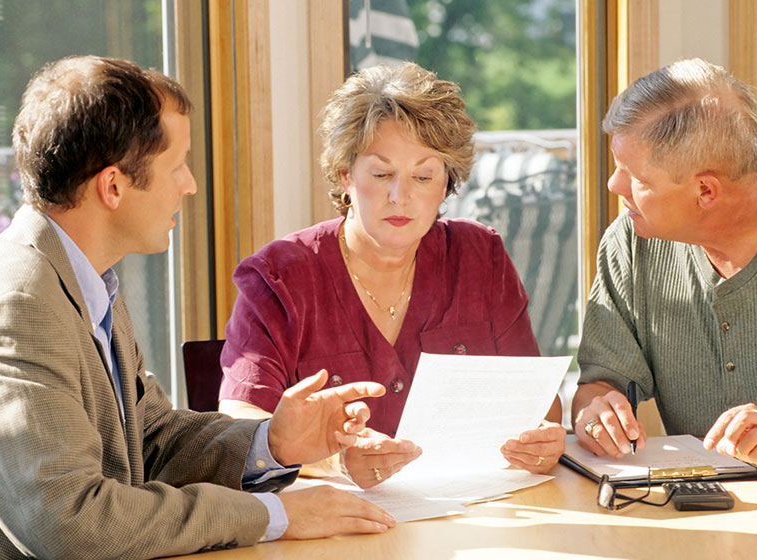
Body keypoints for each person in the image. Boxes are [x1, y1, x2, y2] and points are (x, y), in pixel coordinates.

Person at [0, 55, 397, 560]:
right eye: (177, 165)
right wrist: (275, 516)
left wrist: (272, 442)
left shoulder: (82, 279)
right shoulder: (19, 302)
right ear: (113, 186)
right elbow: (67, 520)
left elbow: (150, 440)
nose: (190, 184)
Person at [218, 62, 565, 489]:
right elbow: (240, 424)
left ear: (446, 185)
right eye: (381, 174)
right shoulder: (278, 277)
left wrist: (539, 442)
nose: (400, 197)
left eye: (423, 176)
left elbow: (539, 404)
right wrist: (334, 463)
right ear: (346, 175)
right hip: (336, 531)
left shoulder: (480, 256)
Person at [572, 58, 757, 481]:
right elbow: (599, 384)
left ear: (705, 190)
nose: (614, 186)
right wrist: (596, 413)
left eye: (635, 176)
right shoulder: (630, 240)